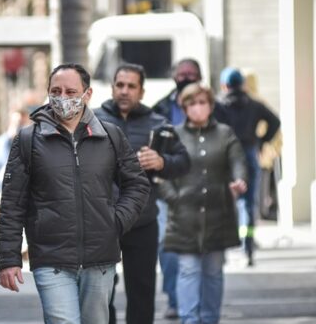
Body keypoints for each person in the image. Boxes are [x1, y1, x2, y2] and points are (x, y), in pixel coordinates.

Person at [0, 63, 151, 323]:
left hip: (100, 259)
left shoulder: (109, 136)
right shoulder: (28, 139)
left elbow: (137, 185)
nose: (63, 98)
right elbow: (12, 203)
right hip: (50, 257)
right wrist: (8, 259)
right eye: (56, 91)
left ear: (87, 94)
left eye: (71, 92)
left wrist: (115, 222)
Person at [95, 63, 191, 324]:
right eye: (120, 85)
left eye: (131, 86)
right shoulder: (92, 120)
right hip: (102, 221)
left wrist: (162, 162)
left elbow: (184, 162)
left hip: (143, 220)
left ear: (142, 91)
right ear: (113, 87)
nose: (124, 91)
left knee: (142, 294)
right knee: (100, 295)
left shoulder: (158, 123)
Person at [157, 83, 247, 324]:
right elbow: (160, 171)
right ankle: (189, 320)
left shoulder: (225, 133)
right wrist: (172, 197)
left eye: (202, 103)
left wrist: (239, 180)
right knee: (187, 270)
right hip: (184, 216)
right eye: (191, 103)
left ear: (210, 105)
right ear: (183, 107)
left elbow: (237, 160)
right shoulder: (173, 135)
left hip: (219, 214)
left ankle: (210, 319)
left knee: (213, 272)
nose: (197, 108)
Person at [151, 58, 226, 318]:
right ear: (173, 76)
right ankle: (176, 299)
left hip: (208, 191)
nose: (185, 77)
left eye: (191, 73)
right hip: (170, 189)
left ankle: (203, 308)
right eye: (181, 73)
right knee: (167, 246)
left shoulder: (218, 109)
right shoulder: (159, 108)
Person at [218, 67, 281, 266]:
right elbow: (275, 121)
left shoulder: (219, 105)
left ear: (224, 85)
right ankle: (248, 249)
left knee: (224, 203)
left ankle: (225, 250)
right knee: (248, 204)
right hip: (249, 154)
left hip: (225, 157)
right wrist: (261, 141)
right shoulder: (254, 105)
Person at [0, 108, 30, 205]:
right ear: (10, 123)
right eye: (18, 123)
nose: (20, 127)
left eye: (23, 124)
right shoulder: (3, 142)